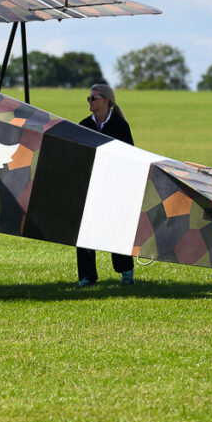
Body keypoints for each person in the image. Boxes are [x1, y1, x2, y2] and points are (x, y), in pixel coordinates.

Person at [77, 83, 136, 287]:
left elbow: (130, 156)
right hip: (91, 185)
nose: (90, 101)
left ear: (106, 100)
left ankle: (126, 272)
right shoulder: (83, 125)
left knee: (116, 229)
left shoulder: (120, 126)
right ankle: (86, 276)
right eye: (89, 98)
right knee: (84, 229)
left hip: (114, 185)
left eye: (93, 98)